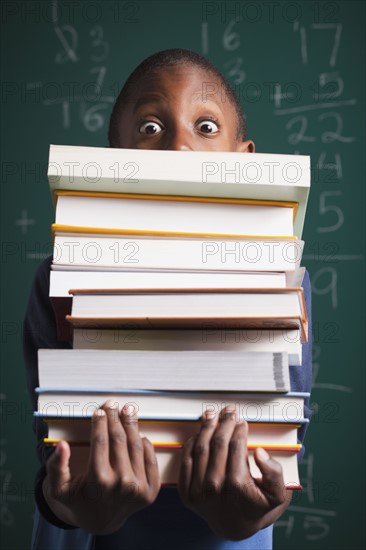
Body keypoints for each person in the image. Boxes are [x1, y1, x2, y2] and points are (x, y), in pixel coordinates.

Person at [24, 48, 312, 549]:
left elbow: (283, 453)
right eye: (151, 128)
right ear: (113, 161)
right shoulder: (58, 278)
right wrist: (76, 507)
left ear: (244, 161)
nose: (179, 147)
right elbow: (52, 462)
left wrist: (249, 518)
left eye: (205, 126)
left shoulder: (286, 281)